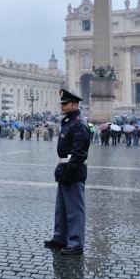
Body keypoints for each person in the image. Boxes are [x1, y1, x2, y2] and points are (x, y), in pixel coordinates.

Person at [44, 89, 90, 256]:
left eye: (65, 103)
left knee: (74, 209)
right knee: (62, 207)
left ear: (75, 104)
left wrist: (69, 169)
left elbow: (80, 152)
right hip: (64, 168)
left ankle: (76, 243)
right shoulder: (68, 120)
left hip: (73, 169)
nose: (62, 106)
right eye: (62, 103)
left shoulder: (78, 123)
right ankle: (60, 238)